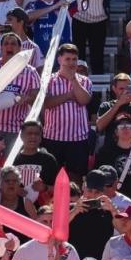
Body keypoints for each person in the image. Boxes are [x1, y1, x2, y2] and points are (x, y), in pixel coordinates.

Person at [41, 44, 93, 181]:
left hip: (78, 139)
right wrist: (69, 95)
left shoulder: (85, 81)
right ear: (59, 60)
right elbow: (47, 103)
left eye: (74, 59)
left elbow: (84, 100)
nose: (71, 63)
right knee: (51, 178)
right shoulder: (48, 80)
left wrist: (73, 79)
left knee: (76, 177)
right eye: (67, 59)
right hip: (53, 138)